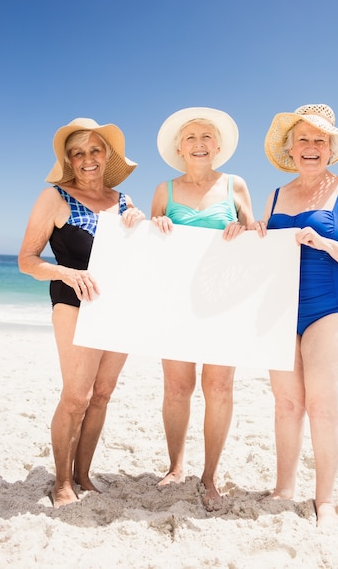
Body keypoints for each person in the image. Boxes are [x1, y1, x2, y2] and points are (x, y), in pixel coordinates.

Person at [253, 104, 338, 528]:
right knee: (287, 404)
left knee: (322, 405)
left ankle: (323, 500)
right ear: (290, 148)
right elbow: (260, 254)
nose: (311, 147)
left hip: (331, 308)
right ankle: (284, 487)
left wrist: (326, 245)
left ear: (330, 149)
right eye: (303, 139)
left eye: (320, 140)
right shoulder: (273, 196)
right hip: (279, 311)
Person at [18, 117, 145, 508]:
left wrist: (142, 226)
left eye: (94, 150)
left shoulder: (124, 201)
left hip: (119, 307)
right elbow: (26, 260)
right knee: (76, 396)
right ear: (70, 161)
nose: (87, 158)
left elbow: (143, 255)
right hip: (73, 303)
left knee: (102, 395)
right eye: (78, 153)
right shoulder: (54, 198)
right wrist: (66, 272)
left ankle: (84, 475)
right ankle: (61, 483)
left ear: (106, 155)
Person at [151, 107, 255, 510]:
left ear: (218, 146)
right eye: (191, 137)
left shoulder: (236, 185)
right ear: (180, 147)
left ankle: (209, 476)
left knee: (219, 388)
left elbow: (258, 238)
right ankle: (175, 467)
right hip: (176, 304)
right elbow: (148, 250)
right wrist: (152, 225)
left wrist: (246, 229)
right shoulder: (165, 190)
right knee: (177, 388)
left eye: (207, 137)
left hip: (223, 304)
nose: (199, 144)